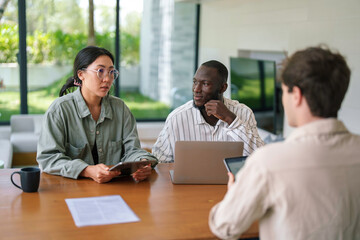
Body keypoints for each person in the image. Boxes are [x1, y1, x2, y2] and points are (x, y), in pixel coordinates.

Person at [209, 46, 360, 239]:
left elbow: (224, 227)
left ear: (296, 95)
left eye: (283, 91)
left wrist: (235, 193)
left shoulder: (268, 163)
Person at [37, 46, 157, 183]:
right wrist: (86, 170)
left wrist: (141, 163)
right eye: (100, 71)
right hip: (71, 189)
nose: (107, 79)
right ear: (81, 74)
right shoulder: (59, 110)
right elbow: (48, 158)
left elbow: (133, 150)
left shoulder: (121, 109)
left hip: (115, 188)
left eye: (111, 72)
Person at [152, 60, 264, 162]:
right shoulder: (176, 118)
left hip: (231, 183)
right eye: (195, 82)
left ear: (222, 88)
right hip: (189, 184)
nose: (196, 89)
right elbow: (159, 161)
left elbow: (260, 157)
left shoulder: (244, 113)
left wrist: (231, 120)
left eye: (205, 84)